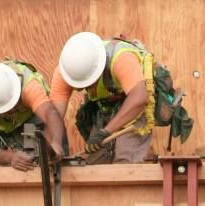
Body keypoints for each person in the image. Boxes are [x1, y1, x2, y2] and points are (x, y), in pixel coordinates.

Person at [50, 32, 156, 164]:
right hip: (105, 107)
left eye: (86, 83)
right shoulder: (66, 71)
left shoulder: (121, 59)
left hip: (134, 105)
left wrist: (106, 131)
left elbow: (140, 98)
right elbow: (54, 116)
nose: (80, 88)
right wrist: (54, 143)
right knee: (95, 166)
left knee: (125, 162)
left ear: (98, 70)